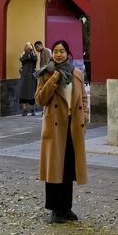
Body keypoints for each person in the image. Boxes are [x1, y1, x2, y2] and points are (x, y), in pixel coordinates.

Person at [35, 39, 88, 223]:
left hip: (73, 126)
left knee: (67, 169)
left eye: (62, 51)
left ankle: (67, 208)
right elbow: (40, 100)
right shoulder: (45, 74)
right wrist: (54, 78)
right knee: (54, 169)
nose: (58, 54)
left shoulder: (77, 73)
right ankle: (55, 209)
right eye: (56, 51)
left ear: (68, 53)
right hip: (55, 127)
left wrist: (85, 117)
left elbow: (83, 98)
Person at [18, 42, 38, 115]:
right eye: (27, 46)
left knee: (32, 92)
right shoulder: (23, 53)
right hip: (24, 76)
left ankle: (32, 110)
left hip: (32, 75)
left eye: (29, 46)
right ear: (25, 47)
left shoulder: (33, 54)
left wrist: (31, 52)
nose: (28, 47)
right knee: (23, 92)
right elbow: (23, 60)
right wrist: (27, 52)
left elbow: (34, 60)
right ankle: (24, 110)